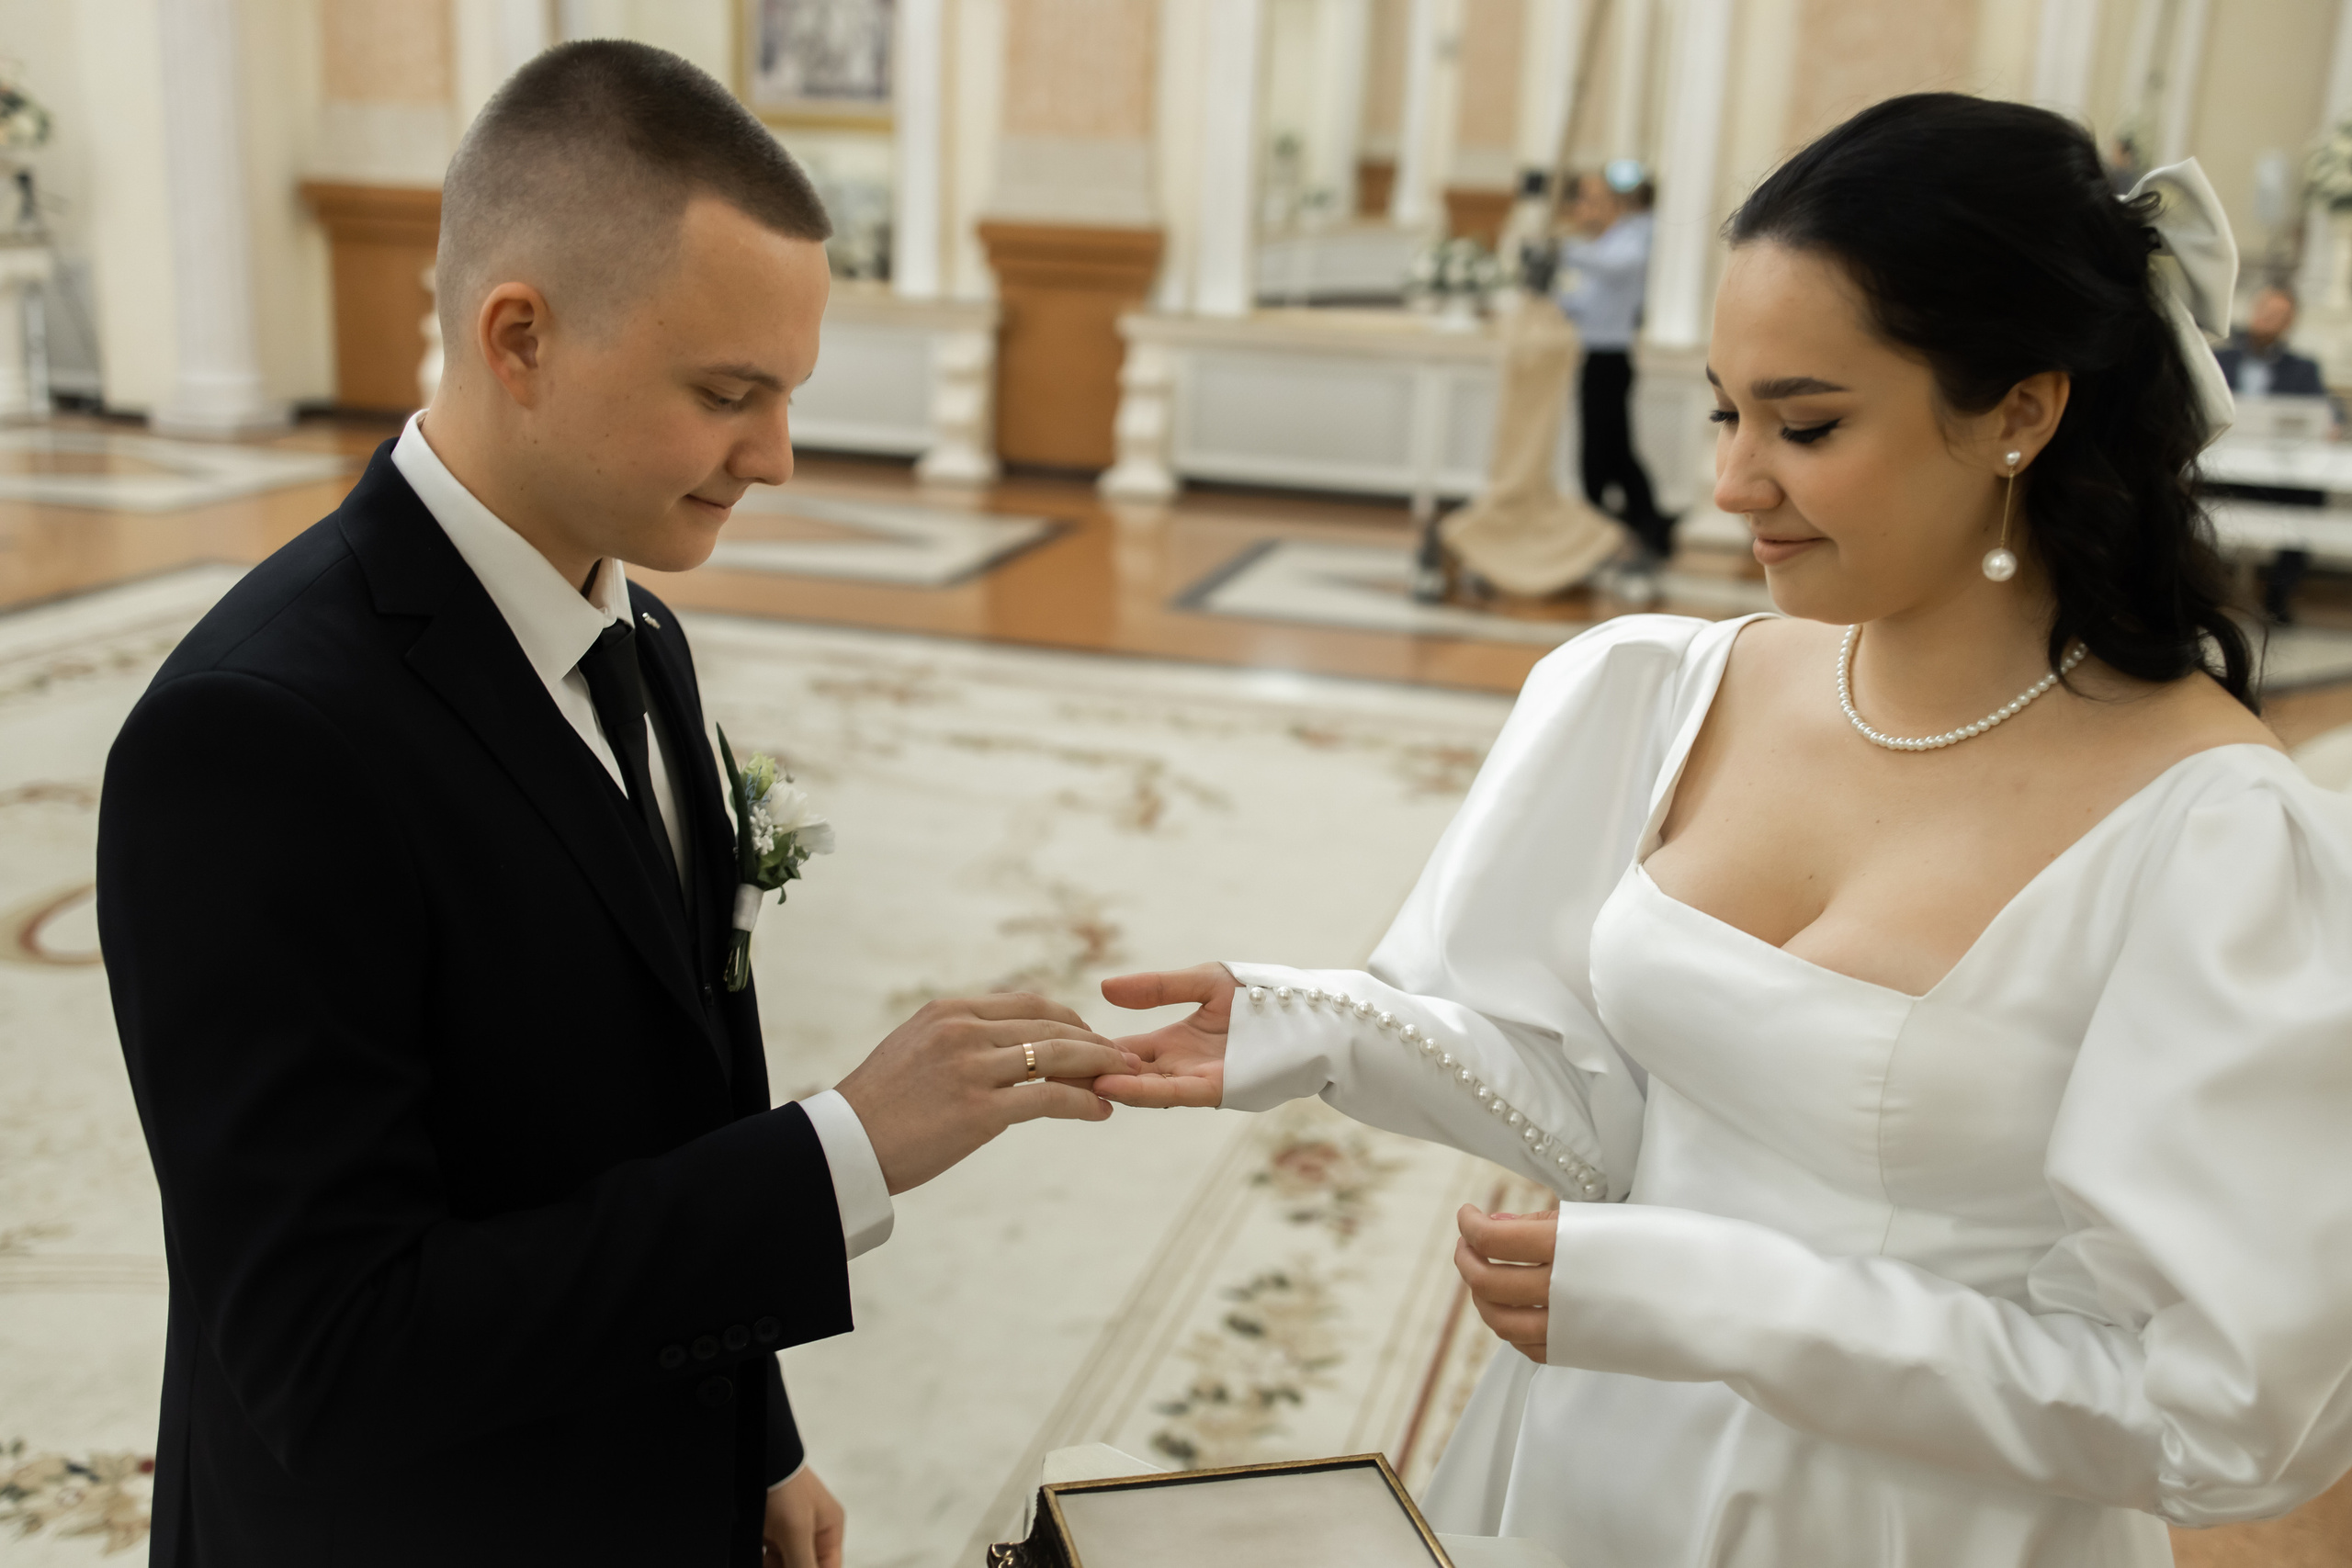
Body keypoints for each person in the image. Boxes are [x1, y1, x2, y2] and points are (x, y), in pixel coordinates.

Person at [1092, 94, 2352, 1567]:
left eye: (1806, 424)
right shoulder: (1662, 689)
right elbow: (1630, 1105)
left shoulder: (2214, 836)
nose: (1732, 483)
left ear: (2023, 407)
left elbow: (2216, 1420)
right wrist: (1320, 1025)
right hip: (1584, 1455)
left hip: (1905, 1520)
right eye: (1724, 409)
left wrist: (1718, 1298)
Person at [97, 42, 1125, 1568]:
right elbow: (333, 1349)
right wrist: (840, 1148)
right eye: (729, 393)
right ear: (520, 335)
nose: (775, 457)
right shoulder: (257, 739)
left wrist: (751, 1435)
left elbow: (663, 1099)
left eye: (788, 394)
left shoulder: (639, 636)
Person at [1558, 162, 1670, 605]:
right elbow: (1592, 296)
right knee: (1611, 450)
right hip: (1597, 352)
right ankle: (1641, 526)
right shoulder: (1617, 234)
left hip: (1611, 356)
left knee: (1603, 452)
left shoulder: (1640, 234)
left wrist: (1560, 248)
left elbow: (1615, 268)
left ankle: (1618, 531)